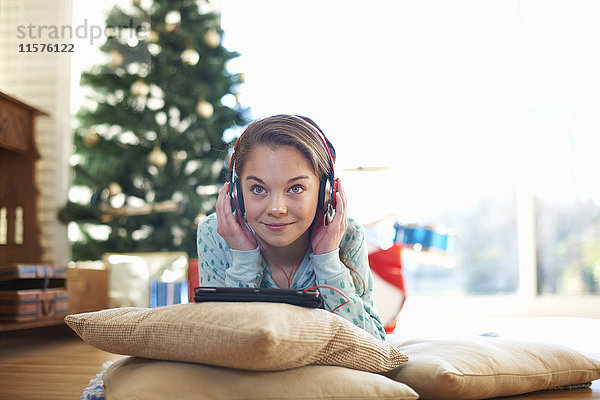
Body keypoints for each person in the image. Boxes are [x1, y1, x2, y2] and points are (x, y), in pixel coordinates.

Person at [196, 114, 386, 339]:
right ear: (236, 193)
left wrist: (328, 260)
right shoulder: (215, 233)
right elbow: (216, 341)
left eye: (295, 188)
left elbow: (374, 344)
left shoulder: (346, 234)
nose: (277, 209)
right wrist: (244, 258)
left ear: (325, 194)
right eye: (258, 189)